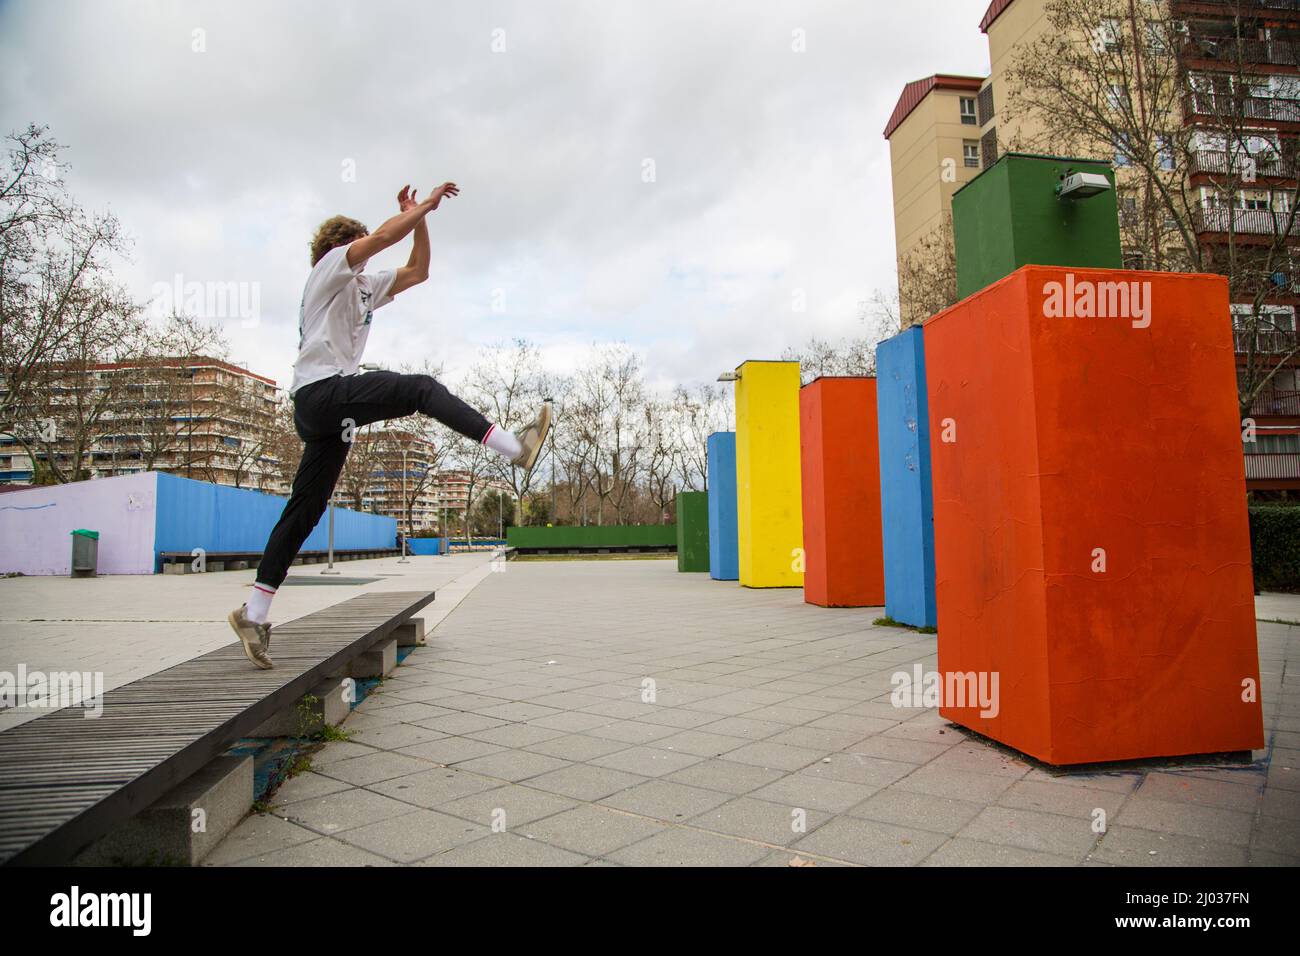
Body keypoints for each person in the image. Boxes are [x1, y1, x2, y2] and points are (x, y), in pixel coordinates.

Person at [227, 182, 550, 669]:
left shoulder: (364, 286)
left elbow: (419, 270)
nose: (364, 261)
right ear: (340, 250)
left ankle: (254, 614)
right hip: (320, 393)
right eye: (357, 250)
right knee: (419, 389)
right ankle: (514, 447)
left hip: (333, 416)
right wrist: (420, 207)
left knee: (304, 512)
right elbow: (379, 240)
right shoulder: (327, 270)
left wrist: (419, 220)